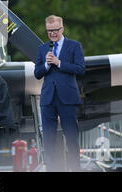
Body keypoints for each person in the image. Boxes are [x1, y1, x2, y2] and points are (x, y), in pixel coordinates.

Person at [34, 15, 85, 171]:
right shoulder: (42, 49)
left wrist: (59, 63)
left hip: (67, 98)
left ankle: (75, 168)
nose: (52, 34)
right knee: (48, 139)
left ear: (62, 28)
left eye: (55, 30)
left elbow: (80, 69)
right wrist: (46, 66)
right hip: (48, 99)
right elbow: (37, 73)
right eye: (49, 31)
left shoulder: (74, 46)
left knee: (71, 137)